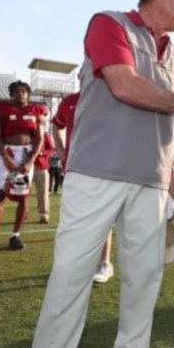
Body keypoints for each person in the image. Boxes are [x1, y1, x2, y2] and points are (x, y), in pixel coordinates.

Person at [14, 0, 174, 348]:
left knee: (143, 281)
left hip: (153, 182)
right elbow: (124, 85)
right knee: (70, 278)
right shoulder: (109, 23)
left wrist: (173, 170)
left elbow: (167, 121)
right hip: (95, 172)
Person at [52, 92, 114, 283]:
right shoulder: (69, 101)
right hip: (75, 166)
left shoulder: (110, 96)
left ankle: (104, 263)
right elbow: (56, 125)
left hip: (104, 166)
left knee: (103, 216)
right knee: (73, 218)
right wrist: (61, 149)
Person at [0, 80, 46, 257]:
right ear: (11, 94)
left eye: (24, 91)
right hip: (7, 152)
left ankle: (15, 236)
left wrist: (30, 160)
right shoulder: (2, 109)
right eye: (17, 92)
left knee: (24, 198)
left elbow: (40, 138)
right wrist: (5, 157)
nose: (21, 94)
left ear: (29, 94)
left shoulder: (37, 110)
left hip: (26, 154)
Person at [33, 131, 55, 224]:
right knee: (23, 194)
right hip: (27, 167)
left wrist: (43, 153)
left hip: (41, 167)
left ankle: (44, 215)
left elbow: (51, 148)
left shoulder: (45, 134)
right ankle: (23, 215)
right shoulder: (27, 133)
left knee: (43, 193)